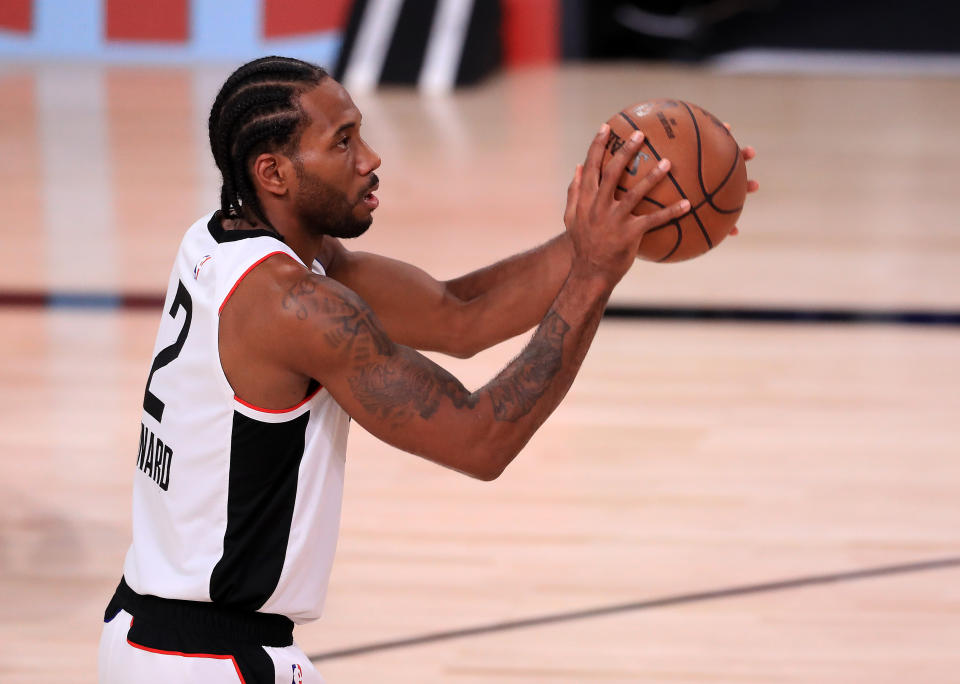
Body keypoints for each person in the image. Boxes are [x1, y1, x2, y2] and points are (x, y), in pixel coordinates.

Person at [98, 56, 755, 683]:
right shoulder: (296, 307)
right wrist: (593, 276)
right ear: (275, 172)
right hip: (206, 660)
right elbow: (480, 440)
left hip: (155, 636)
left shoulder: (224, 240)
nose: (371, 159)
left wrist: (613, 226)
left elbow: (457, 315)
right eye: (343, 142)